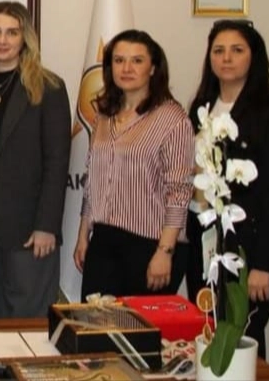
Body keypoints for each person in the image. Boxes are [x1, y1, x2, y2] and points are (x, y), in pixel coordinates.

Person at [185, 20, 269, 359]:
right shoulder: (201, 107)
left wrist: (264, 264)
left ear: (253, 56)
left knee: (242, 337)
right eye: (218, 51)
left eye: (237, 50)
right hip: (203, 240)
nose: (226, 58)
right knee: (205, 332)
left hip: (247, 246)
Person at [0, 1, 71, 317]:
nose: (2, 40)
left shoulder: (48, 87)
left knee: (29, 317)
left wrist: (47, 225)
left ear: (25, 38)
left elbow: (57, 161)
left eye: (12, 32)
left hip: (28, 222)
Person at [73, 29, 194, 300]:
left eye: (137, 61)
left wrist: (165, 251)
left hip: (151, 246)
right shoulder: (104, 115)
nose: (126, 68)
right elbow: (93, 181)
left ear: (153, 68)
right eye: (119, 60)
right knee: (95, 323)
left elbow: (179, 191)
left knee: (141, 327)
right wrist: (83, 234)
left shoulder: (172, 119)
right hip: (103, 241)